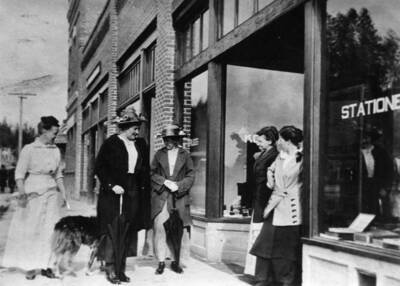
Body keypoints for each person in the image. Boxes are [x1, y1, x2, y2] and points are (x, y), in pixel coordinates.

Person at [1, 116, 67, 275]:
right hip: (33, 192)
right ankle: (30, 266)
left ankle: (47, 266)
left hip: (51, 193)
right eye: (53, 133)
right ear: (44, 131)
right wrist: (22, 193)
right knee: (32, 228)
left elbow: (58, 175)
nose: (55, 136)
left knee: (51, 229)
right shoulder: (29, 149)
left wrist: (64, 194)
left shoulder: (55, 150)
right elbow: (19, 174)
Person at [94, 106, 150, 284]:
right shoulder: (111, 143)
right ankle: (110, 268)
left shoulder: (141, 144)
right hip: (114, 193)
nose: (137, 131)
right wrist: (111, 185)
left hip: (133, 191)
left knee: (127, 230)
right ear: (125, 128)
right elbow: (99, 168)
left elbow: (144, 170)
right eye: (135, 128)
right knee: (113, 230)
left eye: (138, 128)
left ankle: (121, 269)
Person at [250, 125, 303, 286]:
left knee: (285, 248)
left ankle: (284, 280)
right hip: (275, 206)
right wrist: (270, 178)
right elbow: (271, 169)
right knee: (265, 243)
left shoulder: (302, 158)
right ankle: (263, 279)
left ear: (287, 141)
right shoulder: (280, 157)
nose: (278, 142)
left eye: (280, 139)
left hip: (291, 208)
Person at [151, 124, 195, 275]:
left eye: (171, 139)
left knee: (180, 229)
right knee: (160, 227)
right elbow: (151, 173)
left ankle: (177, 261)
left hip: (180, 197)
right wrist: (164, 182)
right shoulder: (158, 155)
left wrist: (180, 185)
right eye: (165, 139)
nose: (168, 142)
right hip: (162, 196)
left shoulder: (185, 155)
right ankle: (161, 261)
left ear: (177, 140)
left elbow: (191, 175)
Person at [245, 126, 279, 275]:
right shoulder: (265, 153)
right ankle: (256, 272)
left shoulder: (274, 155)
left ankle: (262, 273)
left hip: (264, 200)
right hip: (258, 199)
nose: (258, 143)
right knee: (257, 234)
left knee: (260, 235)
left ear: (270, 141)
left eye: (260, 141)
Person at [360, 127, 393, 219]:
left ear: (371, 138)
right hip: (361, 187)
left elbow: (389, 171)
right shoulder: (356, 153)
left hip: (376, 186)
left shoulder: (381, 152)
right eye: (362, 138)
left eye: (366, 137)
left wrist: (386, 188)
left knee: (375, 211)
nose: (364, 140)